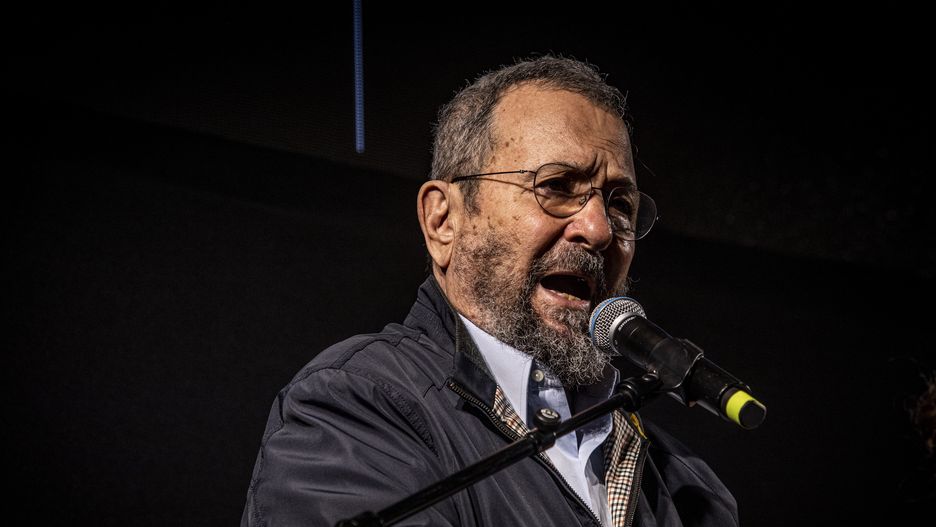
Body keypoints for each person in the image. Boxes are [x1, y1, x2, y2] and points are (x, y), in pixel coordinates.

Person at [241, 55, 739, 527]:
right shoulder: (357, 404)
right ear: (444, 221)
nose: (599, 229)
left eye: (620, 204)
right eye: (559, 186)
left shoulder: (688, 488)